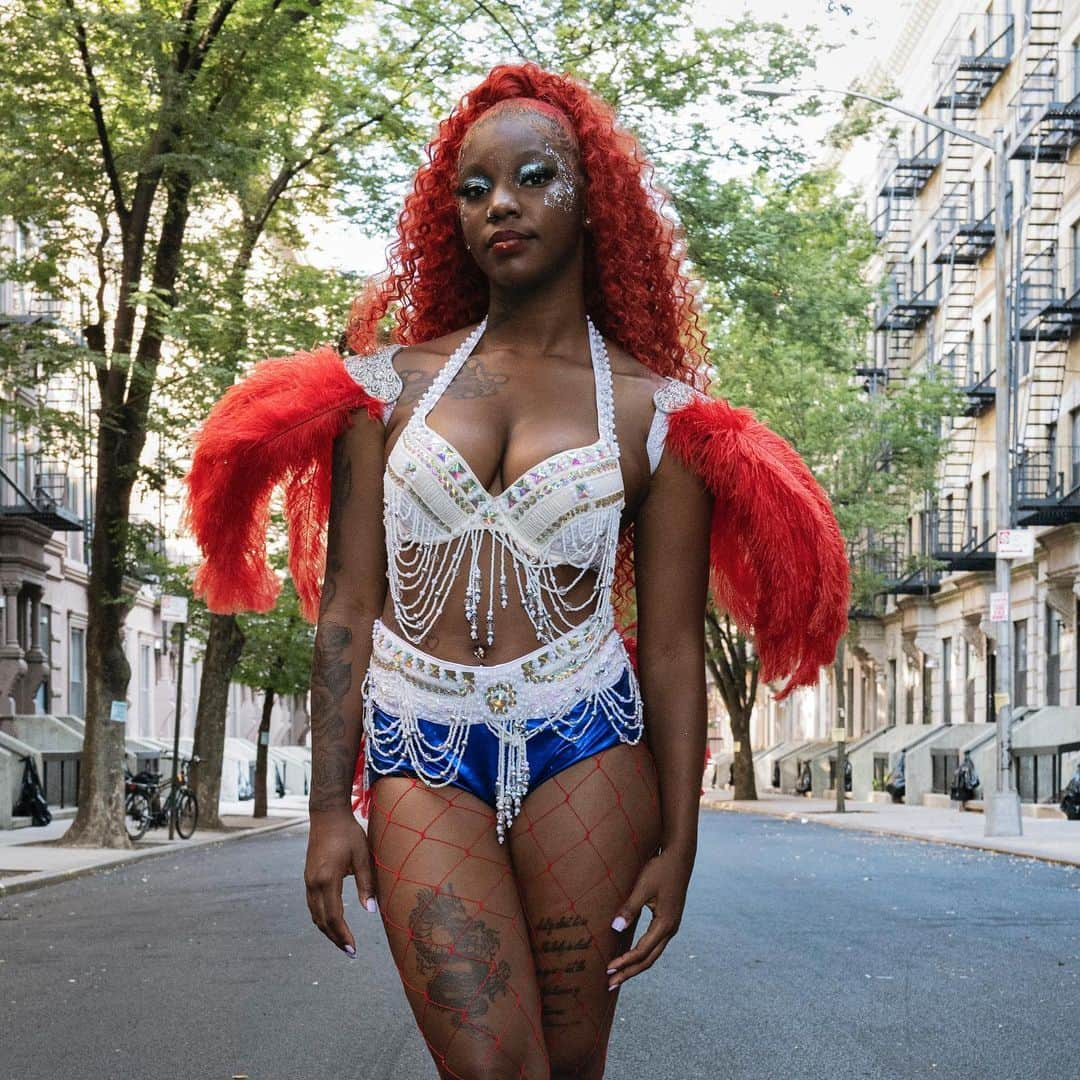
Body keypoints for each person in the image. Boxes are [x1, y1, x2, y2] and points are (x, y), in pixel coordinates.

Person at [185, 63, 849, 1080]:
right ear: (448, 216)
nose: (501, 203)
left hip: (587, 741)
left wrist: (683, 844)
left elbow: (671, 649)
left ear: (594, 206)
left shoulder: (658, 414)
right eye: (474, 188)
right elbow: (351, 610)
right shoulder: (384, 392)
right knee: (491, 1068)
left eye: (534, 177)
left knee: (571, 1067)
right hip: (417, 744)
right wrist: (328, 809)